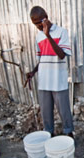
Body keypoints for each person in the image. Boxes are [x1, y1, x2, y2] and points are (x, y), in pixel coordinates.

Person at [27, 6, 74, 138]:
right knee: (46, 112)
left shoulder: (61, 32)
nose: (37, 26)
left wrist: (48, 35)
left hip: (58, 80)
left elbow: (62, 55)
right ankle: (49, 134)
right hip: (44, 80)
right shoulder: (38, 37)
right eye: (34, 24)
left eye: (38, 23)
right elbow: (41, 59)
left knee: (64, 110)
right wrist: (33, 71)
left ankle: (69, 133)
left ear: (45, 18)